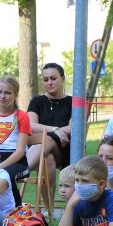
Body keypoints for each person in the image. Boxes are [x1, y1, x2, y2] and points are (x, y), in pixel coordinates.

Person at [0, 165, 77, 226]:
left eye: (67, 186)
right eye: (60, 185)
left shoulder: (78, 206)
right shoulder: (70, 204)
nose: (62, 190)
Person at [26, 63, 72, 199]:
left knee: (48, 138)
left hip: (66, 148)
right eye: (45, 80)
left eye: (53, 78)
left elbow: (73, 127)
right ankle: (48, 210)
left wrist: (54, 134)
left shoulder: (72, 102)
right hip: (42, 151)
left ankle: (23, 169)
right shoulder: (37, 101)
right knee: (48, 160)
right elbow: (31, 125)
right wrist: (55, 130)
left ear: (62, 79)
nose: (49, 82)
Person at [0, 75, 31, 206]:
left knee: (6, 175)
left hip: (18, 162)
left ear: (15, 94)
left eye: (7, 93)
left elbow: (20, 151)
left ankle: (16, 212)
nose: (2, 96)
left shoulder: (22, 117)